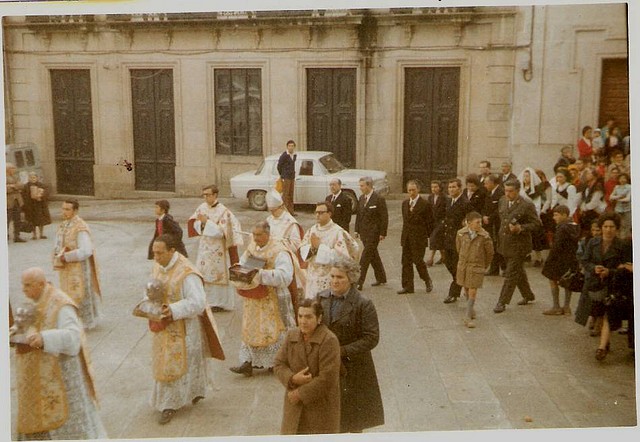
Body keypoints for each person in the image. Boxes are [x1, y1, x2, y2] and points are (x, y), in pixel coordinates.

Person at [12, 267, 107, 440]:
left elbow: (73, 338)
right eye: (23, 285)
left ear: (41, 284)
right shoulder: (37, 298)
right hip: (40, 373)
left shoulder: (61, 304)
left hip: (62, 374)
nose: (23, 290)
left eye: (27, 285)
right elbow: (30, 321)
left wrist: (44, 339)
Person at [147, 234, 210, 424]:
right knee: (164, 361)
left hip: (184, 326)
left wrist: (173, 309)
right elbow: (153, 286)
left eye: (159, 253)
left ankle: (170, 404)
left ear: (172, 251)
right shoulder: (159, 265)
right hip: (163, 324)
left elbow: (198, 303)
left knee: (180, 363)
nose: (155, 257)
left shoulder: (187, 272)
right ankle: (174, 398)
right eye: (154, 253)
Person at [318, 257, 384, 433]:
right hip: (327, 365)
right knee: (330, 418)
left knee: (354, 420)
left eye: (340, 277)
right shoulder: (321, 298)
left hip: (355, 369)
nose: (334, 281)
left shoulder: (363, 304)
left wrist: (342, 351)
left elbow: (371, 338)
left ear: (351, 279)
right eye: (332, 276)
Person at [229, 221, 296, 376]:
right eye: (254, 234)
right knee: (250, 328)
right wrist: (239, 270)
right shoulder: (252, 247)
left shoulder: (279, 251)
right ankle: (247, 362)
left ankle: (276, 361)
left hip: (273, 297)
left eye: (259, 235)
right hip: (253, 296)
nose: (255, 238)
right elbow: (243, 262)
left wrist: (261, 275)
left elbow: (286, 276)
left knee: (273, 330)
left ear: (268, 234)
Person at [273, 299, 341, 435]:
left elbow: (327, 378)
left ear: (319, 318)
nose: (303, 321)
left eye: (308, 317)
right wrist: (292, 379)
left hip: (320, 408)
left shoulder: (329, 340)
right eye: (300, 316)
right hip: (293, 407)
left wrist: (300, 394)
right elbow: (278, 364)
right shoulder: (291, 335)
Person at [580, 213, 631, 361]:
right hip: (596, 285)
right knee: (600, 313)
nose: (608, 230)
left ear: (616, 229)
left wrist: (611, 271)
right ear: (601, 228)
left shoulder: (622, 245)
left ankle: (601, 348)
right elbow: (585, 260)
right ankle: (606, 341)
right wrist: (594, 268)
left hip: (615, 284)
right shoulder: (593, 243)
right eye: (605, 226)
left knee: (608, 313)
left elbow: (626, 267)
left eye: (611, 227)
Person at [187, 184, 243, 312]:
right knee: (203, 274)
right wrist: (201, 223)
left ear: (215, 195)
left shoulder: (224, 212)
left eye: (208, 194)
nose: (205, 197)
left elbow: (221, 232)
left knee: (217, 276)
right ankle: (206, 301)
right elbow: (194, 223)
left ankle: (219, 303)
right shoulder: (201, 208)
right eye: (204, 195)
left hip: (218, 250)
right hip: (204, 247)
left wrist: (207, 223)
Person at [53, 199, 102, 330]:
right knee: (66, 294)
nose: (64, 212)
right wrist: (57, 254)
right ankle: (70, 322)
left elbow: (86, 250)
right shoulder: (63, 225)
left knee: (80, 293)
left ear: (75, 211)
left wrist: (66, 257)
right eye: (63, 209)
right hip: (66, 267)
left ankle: (84, 322)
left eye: (67, 209)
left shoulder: (81, 227)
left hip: (78, 268)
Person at [493, 180, 541, 313]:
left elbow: (536, 224)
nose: (507, 194)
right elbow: (502, 220)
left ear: (518, 191)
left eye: (511, 191)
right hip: (505, 243)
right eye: (506, 190)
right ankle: (528, 295)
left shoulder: (526, 205)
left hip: (519, 245)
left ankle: (502, 302)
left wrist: (521, 228)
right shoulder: (502, 200)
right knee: (518, 271)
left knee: (510, 273)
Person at [299, 201, 359, 299]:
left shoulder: (337, 232)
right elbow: (303, 250)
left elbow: (341, 257)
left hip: (329, 277)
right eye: (316, 212)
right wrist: (313, 249)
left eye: (321, 212)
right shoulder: (312, 230)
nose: (318, 215)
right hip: (313, 276)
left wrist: (320, 248)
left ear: (330, 213)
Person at [456, 212, 494, 328]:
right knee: (466, 288)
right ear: (469, 223)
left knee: (473, 290)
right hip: (464, 265)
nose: (480, 224)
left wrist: (483, 265)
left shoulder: (485, 236)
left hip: (476, 266)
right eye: (477, 222)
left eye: (480, 222)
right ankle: (471, 309)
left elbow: (490, 253)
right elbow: (458, 248)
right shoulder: (461, 234)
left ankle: (467, 316)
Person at [541, 205, 580, 315]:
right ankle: (567, 307)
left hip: (558, 259)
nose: (554, 218)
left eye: (556, 215)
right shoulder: (575, 227)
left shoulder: (561, 228)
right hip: (571, 259)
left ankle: (556, 306)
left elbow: (557, 246)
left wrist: (549, 259)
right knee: (568, 281)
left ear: (564, 215)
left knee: (552, 280)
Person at [398, 180, 434, 294]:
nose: (411, 192)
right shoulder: (405, 203)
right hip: (407, 237)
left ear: (418, 190)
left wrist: (425, 236)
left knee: (418, 261)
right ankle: (408, 286)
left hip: (419, 238)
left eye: (413, 190)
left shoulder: (425, 204)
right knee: (405, 262)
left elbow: (430, 223)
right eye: (409, 190)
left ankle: (426, 279)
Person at [354, 176, 388, 290]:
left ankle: (359, 281)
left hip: (374, 232)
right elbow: (359, 215)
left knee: (365, 256)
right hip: (364, 232)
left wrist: (383, 232)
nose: (360, 188)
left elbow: (384, 217)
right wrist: (356, 230)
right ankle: (381, 277)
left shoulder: (378, 199)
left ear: (369, 185)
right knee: (373, 255)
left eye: (362, 186)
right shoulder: (361, 198)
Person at [442, 178, 470, 304]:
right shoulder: (449, 201)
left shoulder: (465, 203)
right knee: (448, 263)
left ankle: (454, 292)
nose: (451, 189)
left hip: (459, 239)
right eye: (450, 187)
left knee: (456, 265)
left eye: (454, 187)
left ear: (459, 188)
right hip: (448, 237)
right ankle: (462, 282)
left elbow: (470, 220)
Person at [482, 174, 505, 276]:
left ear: (492, 183)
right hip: (489, 223)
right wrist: (484, 216)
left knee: (499, 246)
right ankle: (494, 269)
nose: (485, 185)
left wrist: (490, 218)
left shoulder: (501, 193)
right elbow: (485, 206)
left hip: (497, 223)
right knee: (493, 246)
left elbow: (499, 209)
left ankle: (504, 268)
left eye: (486, 183)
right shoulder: (489, 192)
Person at [21, 171, 51, 240]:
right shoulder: (26, 186)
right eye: (31, 177)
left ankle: (41, 234)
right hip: (31, 205)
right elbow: (23, 195)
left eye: (34, 177)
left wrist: (41, 196)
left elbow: (46, 193)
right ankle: (34, 235)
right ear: (28, 178)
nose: (33, 179)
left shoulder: (41, 185)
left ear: (37, 178)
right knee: (32, 221)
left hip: (40, 205)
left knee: (41, 220)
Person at [426, 180, 447, 267]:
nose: (434, 189)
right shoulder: (430, 197)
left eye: (435, 187)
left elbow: (446, 210)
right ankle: (444, 257)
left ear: (440, 188)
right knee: (439, 240)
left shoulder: (444, 198)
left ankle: (430, 259)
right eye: (432, 187)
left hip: (441, 221)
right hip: (432, 222)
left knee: (434, 238)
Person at [6, 162, 26, 243]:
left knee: (17, 218)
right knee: (7, 219)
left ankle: (17, 236)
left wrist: (12, 186)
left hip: (17, 201)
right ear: (8, 169)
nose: (14, 170)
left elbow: (22, 186)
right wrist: (13, 186)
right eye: (12, 168)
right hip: (8, 201)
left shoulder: (15, 176)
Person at [277, 140, 297, 215]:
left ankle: (291, 211)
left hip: (292, 177)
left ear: (294, 147)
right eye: (289, 146)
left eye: (292, 146)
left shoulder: (294, 155)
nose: (291, 147)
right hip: (286, 177)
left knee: (291, 195)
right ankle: (284, 212)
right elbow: (279, 166)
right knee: (285, 195)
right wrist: (282, 176)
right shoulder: (284, 155)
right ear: (287, 147)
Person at [609, 173, 631, 239]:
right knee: (618, 224)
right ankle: (618, 239)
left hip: (627, 209)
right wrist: (620, 197)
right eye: (621, 178)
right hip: (618, 209)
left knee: (626, 225)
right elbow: (611, 197)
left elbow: (627, 199)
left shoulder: (630, 187)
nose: (622, 180)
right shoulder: (617, 187)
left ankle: (624, 239)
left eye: (624, 178)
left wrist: (617, 199)